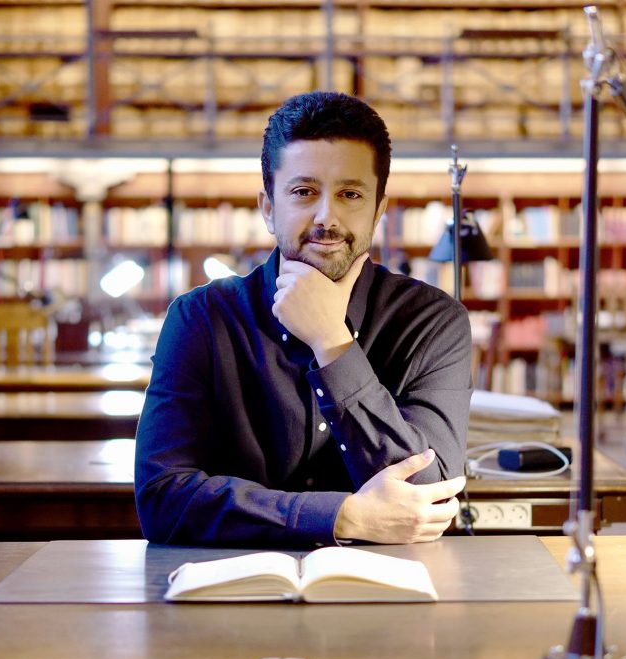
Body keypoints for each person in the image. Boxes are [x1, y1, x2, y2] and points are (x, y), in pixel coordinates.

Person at [134, 91, 472, 548]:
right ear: (269, 207)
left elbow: (427, 497)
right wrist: (341, 516)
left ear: (378, 211)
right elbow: (162, 500)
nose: (326, 217)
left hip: (389, 596)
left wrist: (332, 342)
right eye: (303, 192)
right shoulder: (200, 318)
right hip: (229, 595)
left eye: (350, 194)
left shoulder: (434, 321)